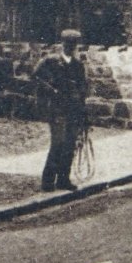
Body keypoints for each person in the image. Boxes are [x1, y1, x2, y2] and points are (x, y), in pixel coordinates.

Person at [34, 29, 87, 192]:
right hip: (57, 109)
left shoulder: (78, 65)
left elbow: (83, 87)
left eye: (74, 44)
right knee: (58, 143)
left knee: (70, 145)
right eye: (68, 44)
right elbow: (36, 77)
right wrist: (52, 91)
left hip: (73, 109)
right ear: (62, 44)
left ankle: (63, 179)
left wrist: (82, 109)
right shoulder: (50, 61)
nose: (71, 47)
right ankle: (48, 181)